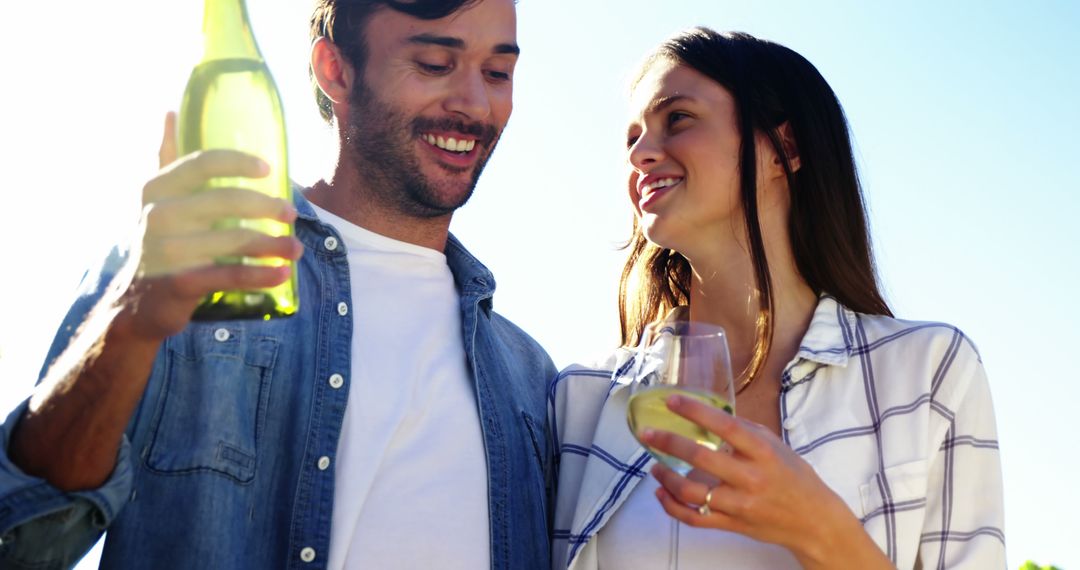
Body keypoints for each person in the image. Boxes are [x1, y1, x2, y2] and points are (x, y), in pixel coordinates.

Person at [0, 0, 555, 568]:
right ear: (335, 69)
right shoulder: (176, 270)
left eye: (498, 73)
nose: (474, 104)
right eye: (436, 63)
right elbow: (23, 538)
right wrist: (128, 319)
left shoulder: (532, 380)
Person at [550, 28, 1005, 570]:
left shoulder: (929, 372)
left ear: (783, 149)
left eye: (678, 119)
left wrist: (820, 530)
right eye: (632, 139)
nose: (643, 155)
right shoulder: (580, 399)